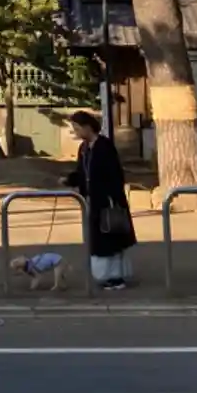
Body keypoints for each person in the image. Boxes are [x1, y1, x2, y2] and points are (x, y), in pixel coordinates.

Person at [63, 110, 135, 289]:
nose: (76, 132)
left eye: (78, 128)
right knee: (99, 239)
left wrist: (111, 196)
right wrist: (70, 180)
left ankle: (116, 277)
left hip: (108, 201)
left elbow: (115, 174)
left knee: (111, 237)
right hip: (92, 201)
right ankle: (106, 275)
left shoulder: (104, 146)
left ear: (88, 127)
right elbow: (82, 172)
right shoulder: (84, 149)